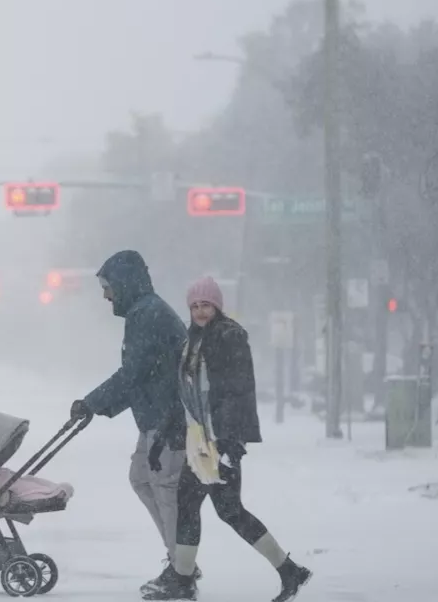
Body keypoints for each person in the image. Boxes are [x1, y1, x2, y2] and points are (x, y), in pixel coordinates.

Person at [141, 276, 312, 602]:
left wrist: (231, 443)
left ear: (216, 306)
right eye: (194, 306)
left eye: (206, 305)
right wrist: (163, 439)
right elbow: (185, 397)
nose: (200, 311)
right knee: (201, 507)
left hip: (220, 442)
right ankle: (186, 579)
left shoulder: (229, 337)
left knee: (225, 510)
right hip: (200, 442)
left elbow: (238, 391)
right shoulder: (193, 343)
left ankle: (186, 580)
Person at [69, 250, 195, 594]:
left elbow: (134, 373)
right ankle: (179, 562)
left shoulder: (148, 315)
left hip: (169, 418)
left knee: (165, 487)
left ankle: (181, 572)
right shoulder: (144, 312)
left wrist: (92, 402)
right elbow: (140, 376)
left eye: (108, 287)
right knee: (141, 478)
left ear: (124, 284)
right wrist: (95, 407)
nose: (106, 295)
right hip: (157, 416)